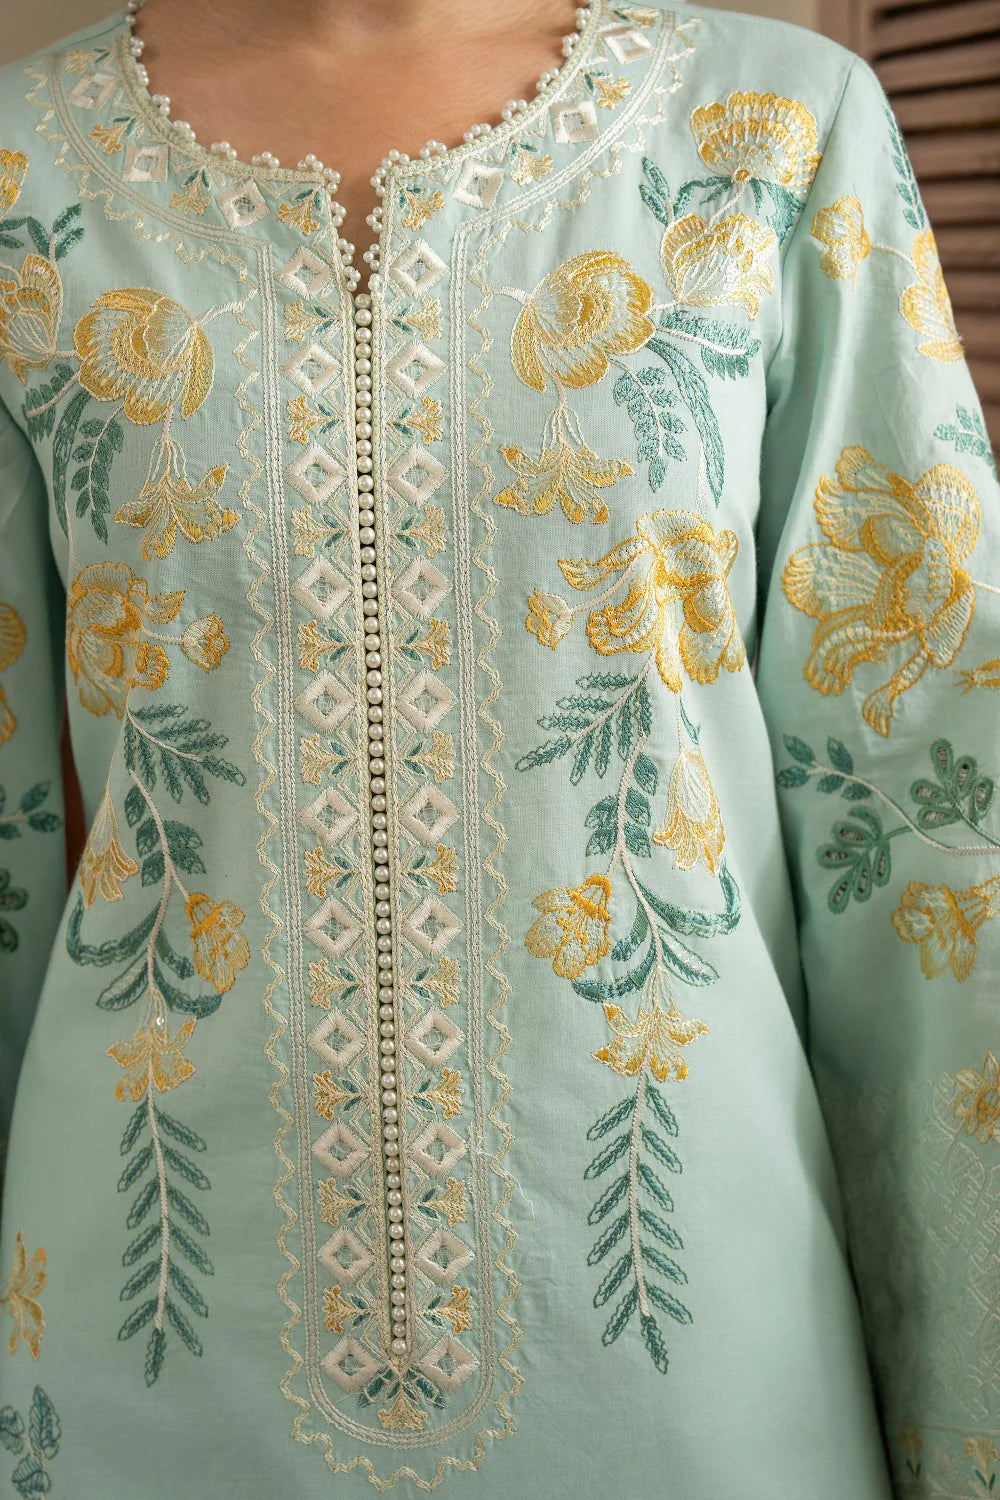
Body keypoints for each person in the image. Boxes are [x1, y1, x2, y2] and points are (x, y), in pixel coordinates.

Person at [0, 0, 996, 1493]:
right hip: (135, 1339)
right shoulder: (24, 167)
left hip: (703, 1360)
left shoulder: (778, 134)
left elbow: (930, 814)